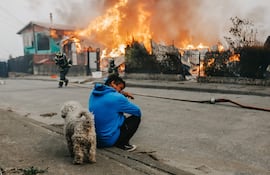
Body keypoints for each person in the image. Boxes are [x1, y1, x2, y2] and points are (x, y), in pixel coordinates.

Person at [88, 74, 141, 152]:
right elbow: (137, 112)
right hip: (107, 141)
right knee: (135, 118)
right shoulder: (117, 98)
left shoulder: (94, 93)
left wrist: (121, 93)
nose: (120, 91)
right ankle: (123, 144)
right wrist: (122, 97)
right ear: (113, 83)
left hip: (94, 139)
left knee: (115, 114)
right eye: (120, 88)